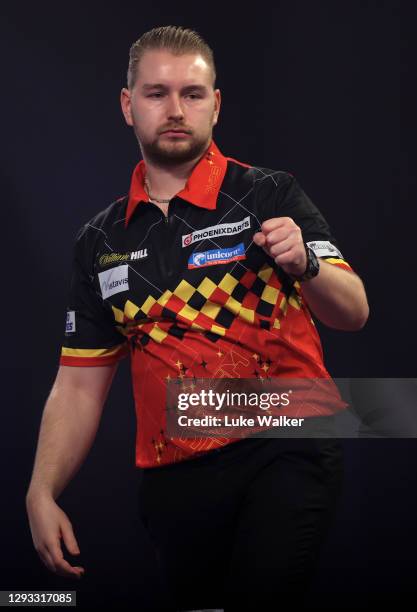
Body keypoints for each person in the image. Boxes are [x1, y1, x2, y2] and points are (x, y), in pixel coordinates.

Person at [26, 25, 369, 611]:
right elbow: (80, 385)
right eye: (157, 93)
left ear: (216, 104)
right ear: (127, 106)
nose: (176, 109)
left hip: (287, 438)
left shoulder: (268, 193)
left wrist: (308, 264)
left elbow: (353, 312)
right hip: (174, 474)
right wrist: (42, 489)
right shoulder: (99, 241)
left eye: (192, 92)